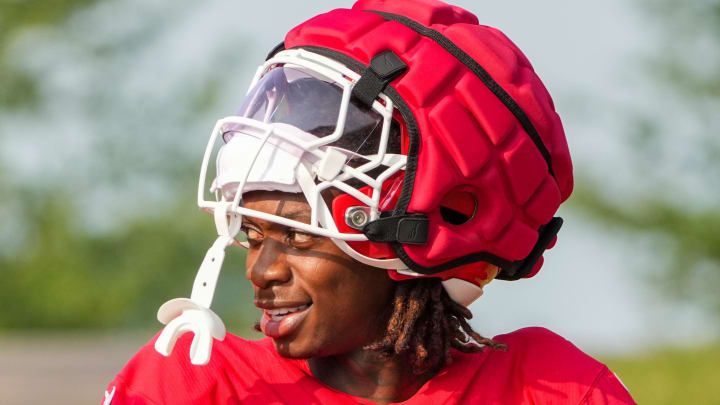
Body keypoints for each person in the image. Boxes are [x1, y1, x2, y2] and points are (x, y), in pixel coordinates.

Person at [102, 1, 636, 404]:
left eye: (296, 234)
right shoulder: (198, 383)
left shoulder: (546, 388)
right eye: (254, 234)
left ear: (415, 233)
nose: (260, 270)